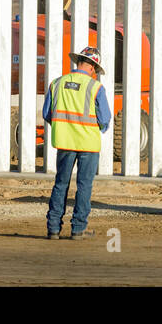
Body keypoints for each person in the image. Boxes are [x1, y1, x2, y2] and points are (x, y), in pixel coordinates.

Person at [43, 46, 112, 240]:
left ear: (79, 62)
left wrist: (65, 127)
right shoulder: (95, 87)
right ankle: (78, 229)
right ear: (92, 67)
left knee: (60, 184)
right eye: (96, 71)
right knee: (84, 186)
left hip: (64, 142)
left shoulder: (56, 84)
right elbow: (105, 118)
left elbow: (47, 113)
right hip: (88, 144)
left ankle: (53, 228)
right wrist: (96, 128)